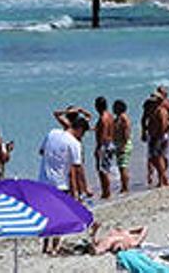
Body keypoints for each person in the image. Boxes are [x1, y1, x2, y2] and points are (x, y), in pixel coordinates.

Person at [39, 116, 88, 254]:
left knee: (47, 216)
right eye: (82, 133)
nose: (82, 137)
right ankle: (54, 247)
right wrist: (84, 189)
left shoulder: (52, 133)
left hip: (43, 181)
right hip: (60, 184)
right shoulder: (74, 144)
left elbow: (41, 152)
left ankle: (45, 246)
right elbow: (78, 169)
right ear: (79, 129)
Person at [141, 88, 169, 187]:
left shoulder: (165, 107)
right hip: (156, 134)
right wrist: (144, 131)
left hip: (161, 135)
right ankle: (159, 177)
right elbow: (144, 118)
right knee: (154, 157)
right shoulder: (149, 105)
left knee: (159, 157)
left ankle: (162, 177)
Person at [93, 97, 115, 199]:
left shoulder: (103, 118)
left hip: (104, 145)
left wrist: (97, 149)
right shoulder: (110, 115)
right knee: (105, 169)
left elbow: (103, 135)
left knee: (102, 170)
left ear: (98, 106)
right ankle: (106, 191)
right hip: (110, 144)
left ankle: (106, 192)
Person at [112, 100, 132, 194]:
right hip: (119, 144)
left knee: (123, 166)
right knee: (121, 166)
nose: (113, 108)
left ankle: (125, 187)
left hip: (123, 144)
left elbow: (126, 132)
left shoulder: (124, 118)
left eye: (115, 107)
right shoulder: (118, 118)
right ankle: (123, 186)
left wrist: (123, 145)